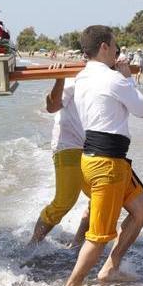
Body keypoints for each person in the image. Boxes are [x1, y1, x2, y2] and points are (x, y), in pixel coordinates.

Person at [64, 26, 143, 286]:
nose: (117, 50)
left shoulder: (81, 77)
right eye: (115, 46)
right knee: (98, 236)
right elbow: (142, 110)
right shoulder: (114, 79)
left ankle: (111, 267)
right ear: (104, 46)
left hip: (98, 160)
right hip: (107, 165)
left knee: (142, 211)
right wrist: (127, 79)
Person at [29, 74, 91, 246]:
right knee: (64, 200)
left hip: (95, 145)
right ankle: (33, 244)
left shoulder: (107, 77)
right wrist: (60, 79)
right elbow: (51, 107)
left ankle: (78, 242)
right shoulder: (74, 78)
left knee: (101, 198)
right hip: (69, 144)